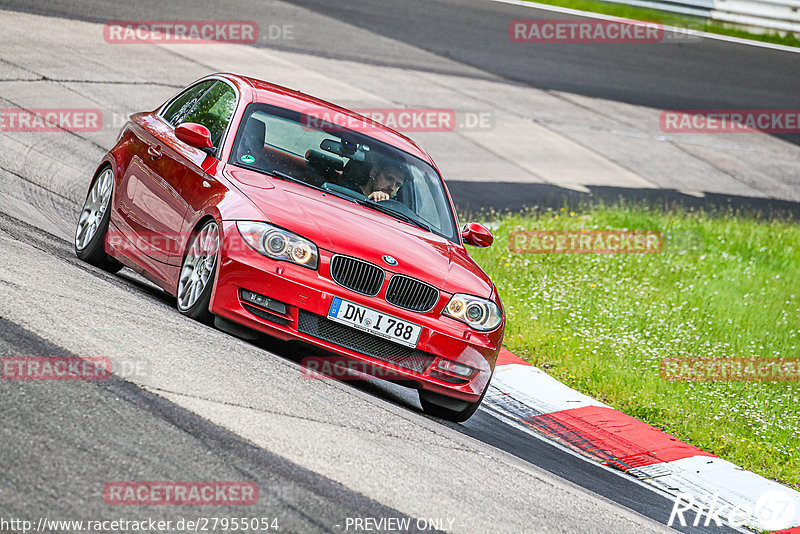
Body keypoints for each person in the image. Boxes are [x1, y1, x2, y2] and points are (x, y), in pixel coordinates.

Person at [341, 155, 410, 201]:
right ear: (373, 173)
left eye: (398, 184)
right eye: (389, 179)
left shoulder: (394, 209)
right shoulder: (345, 191)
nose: (392, 187)